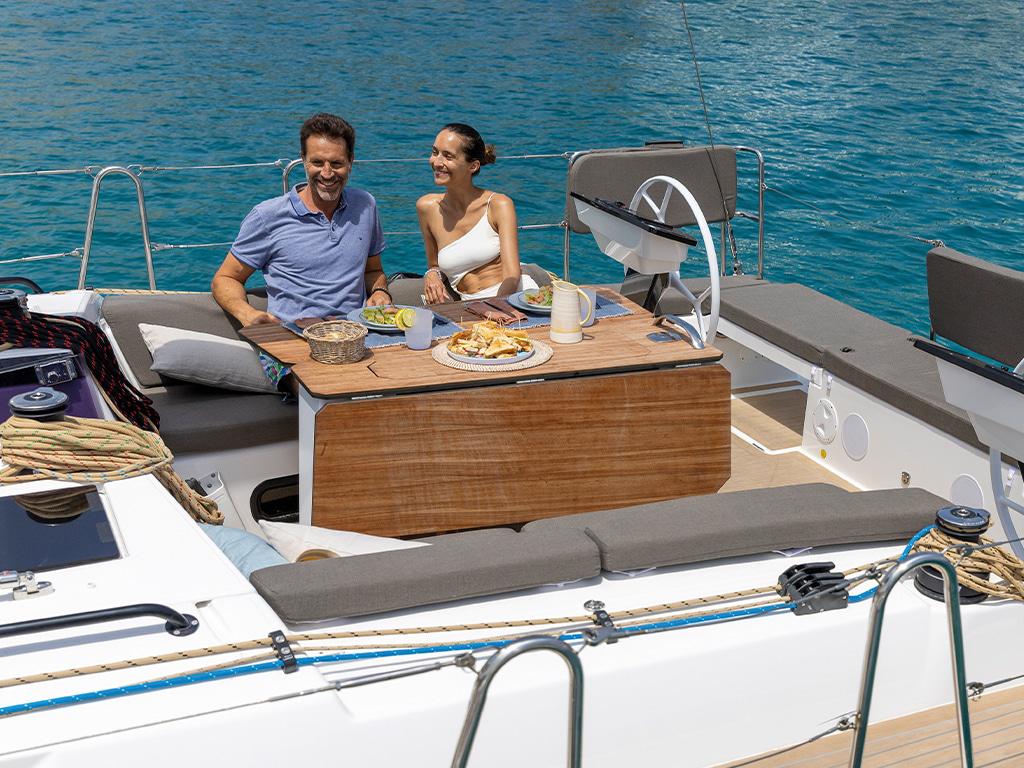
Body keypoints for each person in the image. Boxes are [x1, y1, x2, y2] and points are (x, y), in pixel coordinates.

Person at [212, 113, 389, 390]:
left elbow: (373, 269)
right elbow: (226, 278)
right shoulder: (267, 216)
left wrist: (379, 291)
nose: (327, 173)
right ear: (303, 160)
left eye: (336, 163)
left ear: (351, 162)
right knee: (324, 390)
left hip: (357, 338)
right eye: (317, 162)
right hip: (291, 344)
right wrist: (248, 315)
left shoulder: (365, 205)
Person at [416, 123, 538, 303]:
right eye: (435, 152)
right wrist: (431, 274)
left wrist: (496, 308)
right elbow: (433, 264)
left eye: (448, 156)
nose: (436, 162)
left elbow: (512, 275)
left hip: (512, 297)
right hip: (470, 304)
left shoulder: (498, 205)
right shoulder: (426, 207)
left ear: (473, 166)